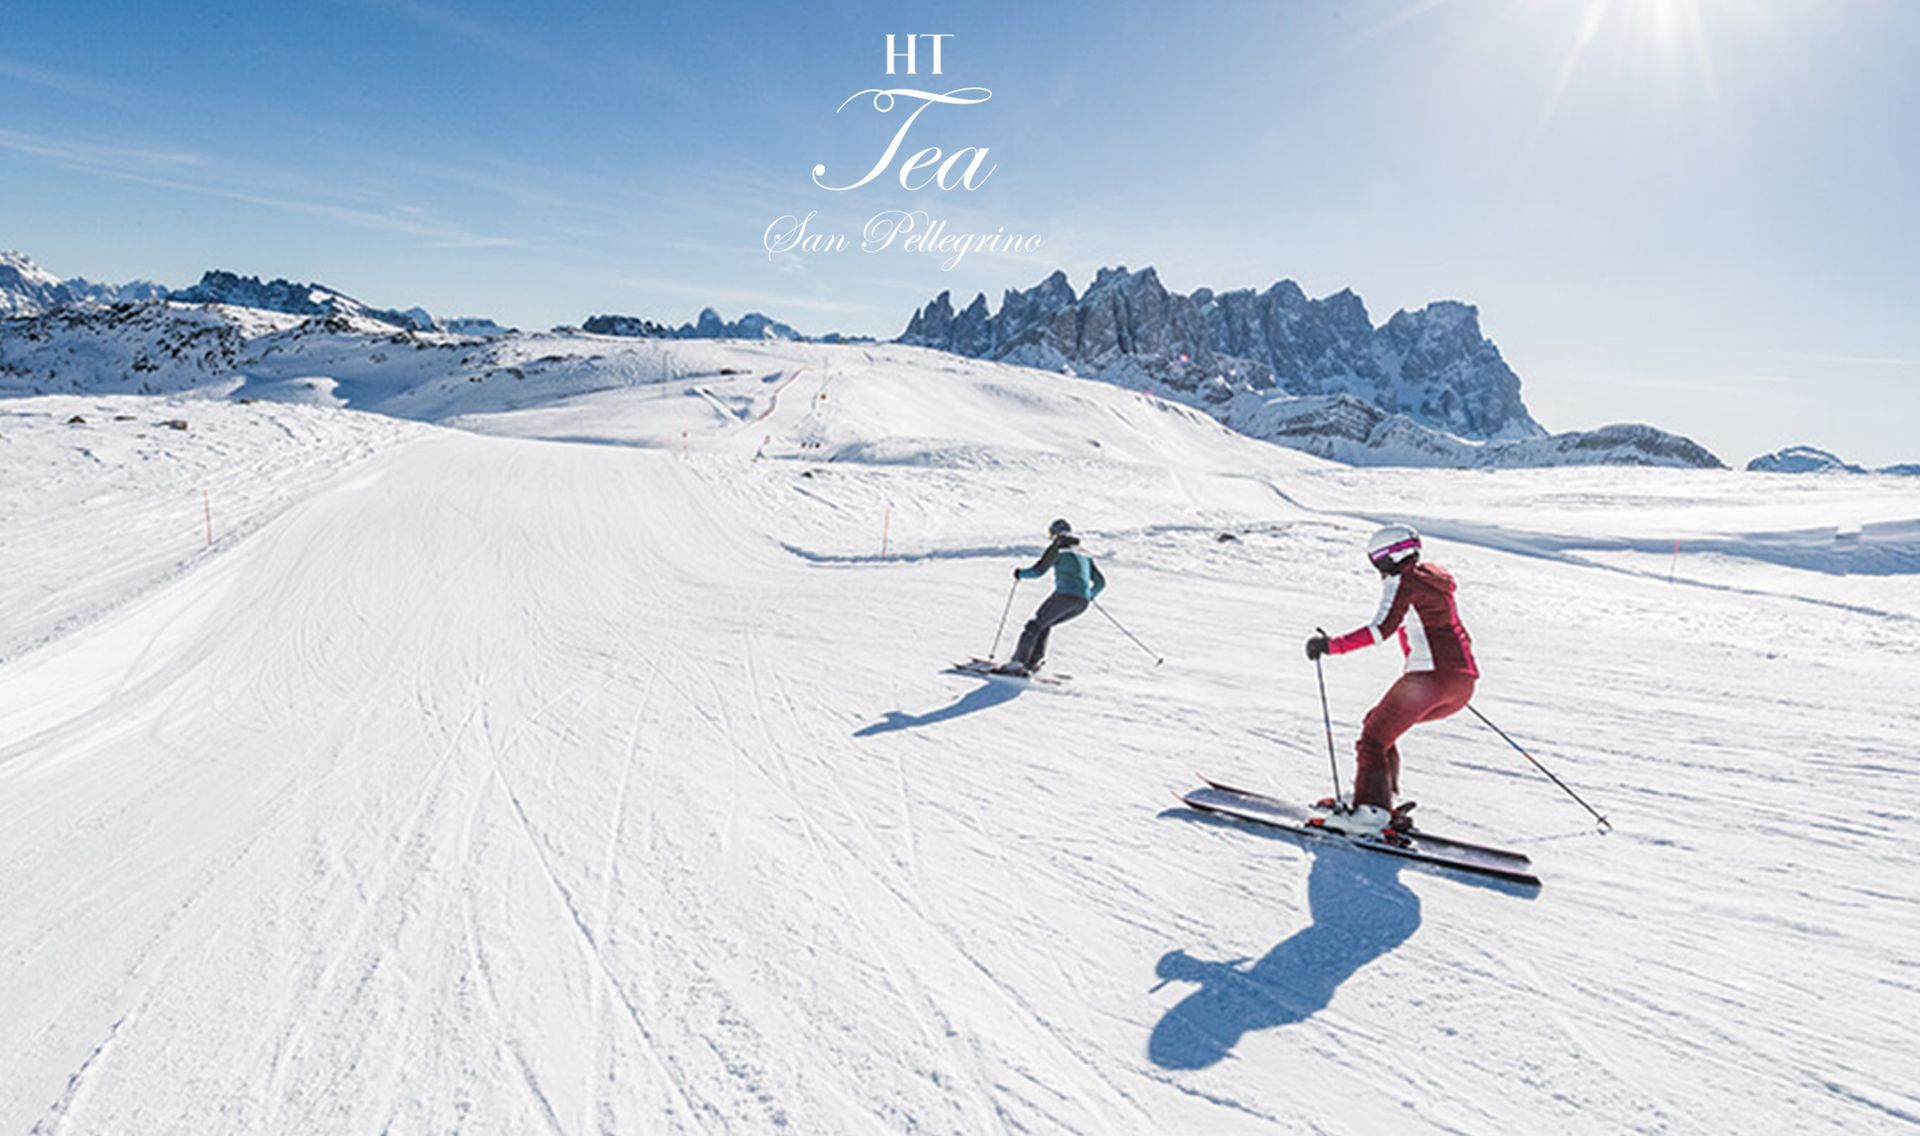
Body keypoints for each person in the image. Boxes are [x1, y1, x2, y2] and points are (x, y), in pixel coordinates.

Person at [1305, 524, 1477, 837]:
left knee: (1372, 739)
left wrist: (1330, 645)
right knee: (1379, 725)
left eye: (1376, 561)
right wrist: (1453, 676)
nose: (1377, 569)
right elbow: (1448, 631)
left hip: (1430, 680)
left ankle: (1372, 813)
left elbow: (1380, 629)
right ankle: (1377, 798)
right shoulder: (1434, 579)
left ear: (1388, 557)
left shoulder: (1403, 580)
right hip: (1460, 682)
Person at [997, 518, 1106, 676]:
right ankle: (1033, 662)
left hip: (1064, 596)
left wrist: (1020, 573)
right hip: (1081, 604)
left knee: (1033, 625)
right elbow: (1100, 582)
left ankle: (1018, 663)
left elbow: (1038, 571)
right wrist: (1088, 595)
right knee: (1044, 624)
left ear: (1054, 534)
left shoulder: (1058, 548)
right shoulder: (1084, 552)